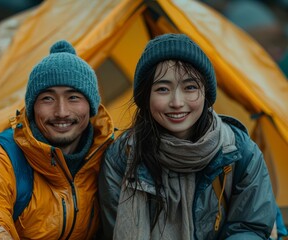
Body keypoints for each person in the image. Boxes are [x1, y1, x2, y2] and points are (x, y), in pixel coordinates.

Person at [98, 33, 278, 239]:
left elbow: (250, 226)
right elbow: (114, 230)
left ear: (205, 93)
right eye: (163, 89)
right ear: (145, 96)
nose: (177, 102)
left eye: (190, 87)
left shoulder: (238, 150)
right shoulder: (121, 157)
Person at [0, 40, 114, 239]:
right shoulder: (0, 158)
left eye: (73, 98)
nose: (61, 112)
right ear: (32, 108)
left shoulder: (109, 157)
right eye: (48, 98)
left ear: (91, 107)